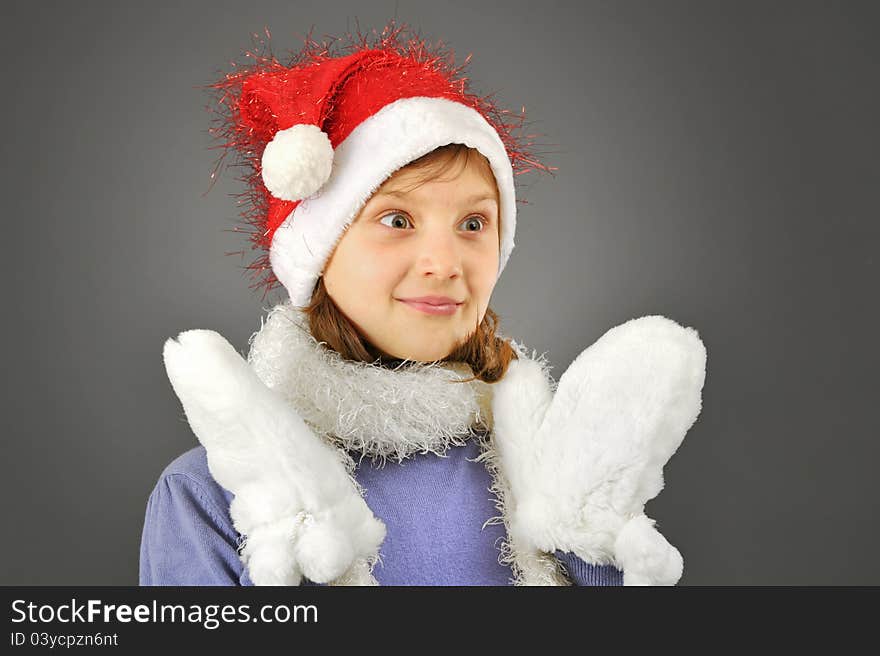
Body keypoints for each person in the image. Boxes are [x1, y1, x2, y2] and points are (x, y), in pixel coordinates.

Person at [139, 24, 707, 586]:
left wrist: (591, 531)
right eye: (397, 219)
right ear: (319, 251)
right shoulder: (216, 500)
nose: (445, 262)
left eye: (473, 223)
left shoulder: (555, 484)